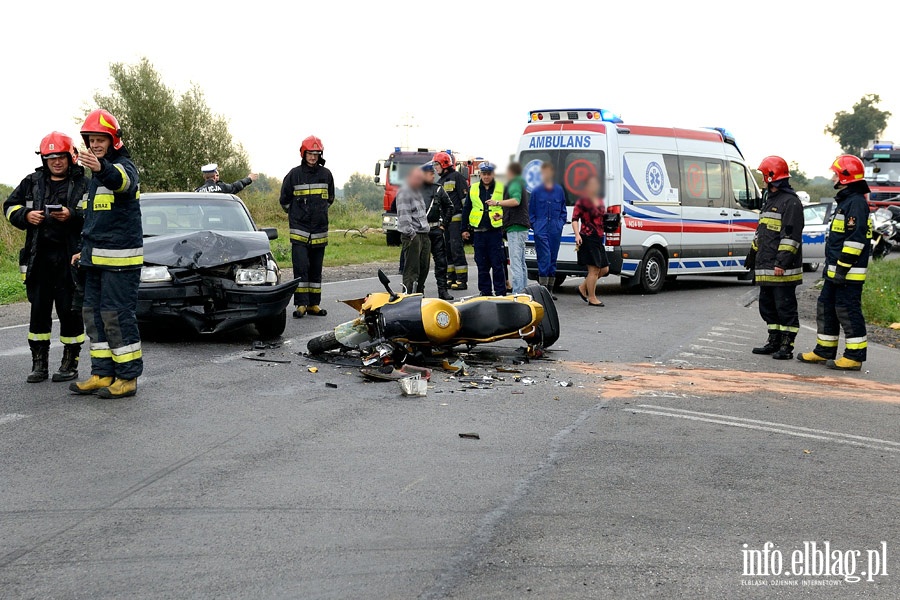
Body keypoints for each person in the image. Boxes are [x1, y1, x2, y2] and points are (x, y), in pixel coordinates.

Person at [69, 110, 143, 399]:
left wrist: (101, 168)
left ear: (113, 141)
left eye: (101, 139)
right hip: (94, 261)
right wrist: (81, 252)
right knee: (94, 317)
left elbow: (122, 182)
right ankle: (102, 373)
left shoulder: (124, 167)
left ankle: (127, 378)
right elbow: (93, 222)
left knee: (116, 316)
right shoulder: (94, 178)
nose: (96, 144)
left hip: (120, 263)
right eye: (91, 140)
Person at [4, 132, 87, 383]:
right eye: (51, 157)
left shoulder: (84, 183)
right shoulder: (31, 182)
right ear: (44, 159)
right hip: (39, 258)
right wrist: (26, 216)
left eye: (60, 157)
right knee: (38, 312)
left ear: (70, 157)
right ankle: (38, 364)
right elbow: (9, 207)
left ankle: (69, 363)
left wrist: (72, 214)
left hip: (69, 258)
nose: (56, 162)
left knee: (69, 311)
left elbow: (96, 214)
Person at [798, 155, 872, 371]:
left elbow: (855, 242)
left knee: (847, 311)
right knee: (827, 306)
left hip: (848, 273)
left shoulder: (856, 204)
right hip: (836, 272)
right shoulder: (847, 202)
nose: (833, 178)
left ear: (845, 177)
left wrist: (841, 269)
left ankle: (854, 356)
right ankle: (824, 350)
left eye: (835, 174)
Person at [745, 156, 804, 359]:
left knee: (784, 307)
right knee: (768, 306)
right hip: (766, 266)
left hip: (781, 269)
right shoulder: (769, 201)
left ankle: (787, 346)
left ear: (772, 176)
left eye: (763, 175)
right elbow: (762, 233)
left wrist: (782, 263)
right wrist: (752, 255)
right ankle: (774, 340)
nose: (762, 179)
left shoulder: (791, 202)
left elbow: (791, 237)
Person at [279, 136, 335, 318]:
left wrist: (318, 213)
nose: (313, 157)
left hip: (319, 231)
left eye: (316, 154)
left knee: (316, 269)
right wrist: (298, 214)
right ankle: (301, 304)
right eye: (310, 154)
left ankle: (313, 304)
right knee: (301, 268)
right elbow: (284, 200)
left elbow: (330, 199)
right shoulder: (294, 174)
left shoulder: (326, 174)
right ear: (304, 154)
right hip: (299, 230)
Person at [463, 162, 506, 296]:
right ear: (480, 174)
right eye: (484, 174)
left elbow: (508, 207)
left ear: (493, 174)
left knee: (497, 264)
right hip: (479, 232)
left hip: (495, 232)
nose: (486, 177)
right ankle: (485, 291)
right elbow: (467, 209)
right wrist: (463, 229)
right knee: (482, 265)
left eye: (489, 174)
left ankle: (500, 292)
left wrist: (502, 216)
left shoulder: (501, 187)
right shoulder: (473, 188)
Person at [433, 151, 469, 290]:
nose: (435, 168)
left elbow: (465, 202)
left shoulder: (457, 177)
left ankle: (462, 280)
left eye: (437, 164)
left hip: (456, 220)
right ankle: (451, 278)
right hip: (445, 223)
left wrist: (466, 224)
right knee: (447, 250)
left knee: (456, 249)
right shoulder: (439, 182)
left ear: (444, 164)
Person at [571, 176, 610, 307]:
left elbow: (601, 219)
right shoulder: (582, 201)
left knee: (604, 269)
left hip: (599, 238)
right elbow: (575, 219)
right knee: (594, 269)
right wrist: (577, 235)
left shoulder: (599, 200)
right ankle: (592, 298)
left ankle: (582, 287)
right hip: (587, 237)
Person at [529, 162, 567, 290]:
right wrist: (535, 226)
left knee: (552, 258)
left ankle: (550, 290)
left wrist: (560, 224)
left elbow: (563, 210)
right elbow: (531, 211)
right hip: (541, 228)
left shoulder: (559, 190)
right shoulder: (536, 191)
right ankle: (543, 289)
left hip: (555, 229)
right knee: (544, 257)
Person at [422, 161, 454, 300]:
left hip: (436, 230)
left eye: (433, 173)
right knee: (421, 263)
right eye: (430, 173)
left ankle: (443, 291)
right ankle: (418, 291)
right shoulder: (416, 190)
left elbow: (450, 207)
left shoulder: (438, 189)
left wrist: (444, 224)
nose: (433, 175)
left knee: (441, 262)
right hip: (422, 231)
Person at [396, 168, 431, 294]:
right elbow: (404, 218)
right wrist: (412, 235)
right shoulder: (405, 192)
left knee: (424, 269)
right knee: (412, 271)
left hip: (423, 235)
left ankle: (419, 296)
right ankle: (409, 298)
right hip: (413, 236)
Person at [498, 162, 530, 294]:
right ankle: (524, 291)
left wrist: (497, 202)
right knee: (521, 263)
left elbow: (516, 201)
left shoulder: (514, 183)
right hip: (520, 226)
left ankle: (517, 293)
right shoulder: (520, 183)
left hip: (515, 228)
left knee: (516, 263)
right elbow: (517, 207)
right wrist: (501, 216)